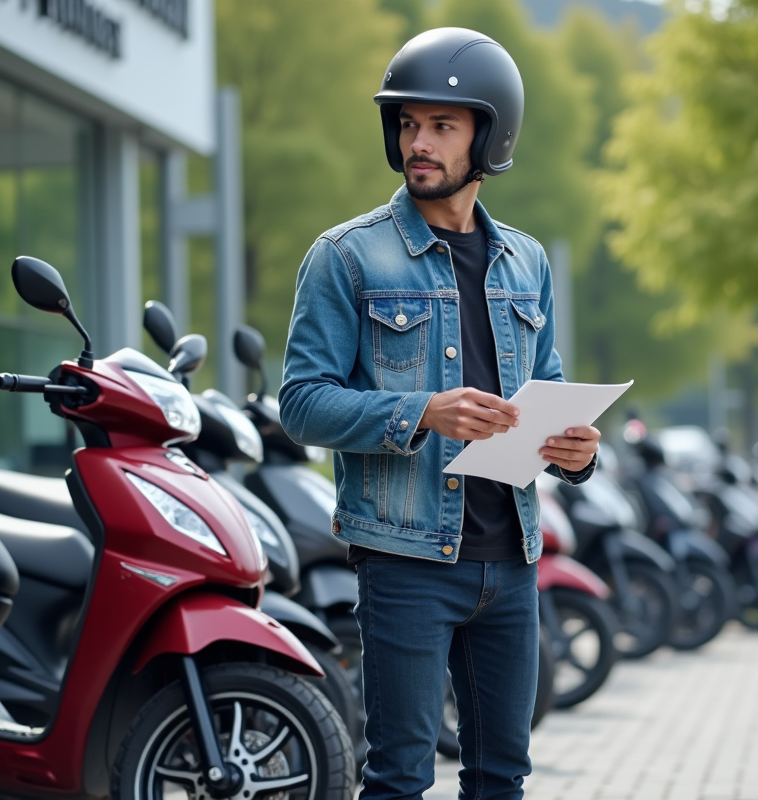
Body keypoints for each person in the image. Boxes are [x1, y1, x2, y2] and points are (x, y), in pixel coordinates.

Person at [278, 27, 599, 800]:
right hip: (406, 561)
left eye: (441, 126)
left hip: (512, 560)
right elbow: (301, 404)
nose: (417, 142)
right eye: (407, 124)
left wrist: (577, 451)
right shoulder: (347, 256)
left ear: (489, 138)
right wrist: (423, 410)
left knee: (501, 777)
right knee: (398, 779)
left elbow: (545, 383)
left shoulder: (526, 261)